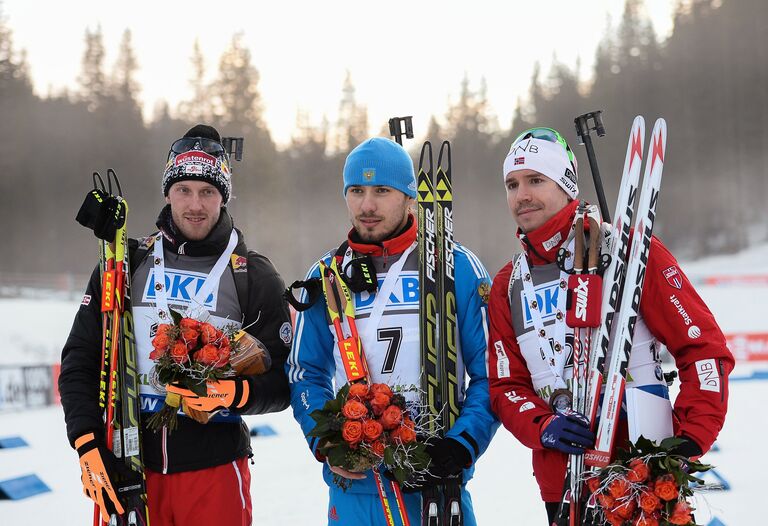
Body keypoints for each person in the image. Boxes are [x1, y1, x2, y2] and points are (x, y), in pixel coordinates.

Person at [486, 127, 734, 524]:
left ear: (566, 185)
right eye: (512, 184)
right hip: (563, 483)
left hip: (643, 475)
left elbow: (703, 349)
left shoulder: (632, 253)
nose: (522, 195)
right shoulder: (508, 284)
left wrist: (688, 440)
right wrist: (543, 425)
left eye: (536, 180)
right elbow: (505, 386)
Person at [60, 124, 293, 526]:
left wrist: (234, 393)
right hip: (129, 466)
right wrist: (86, 441)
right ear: (168, 192)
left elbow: (284, 380)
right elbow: (80, 360)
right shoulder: (126, 263)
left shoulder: (251, 273)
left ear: (224, 196)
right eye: (184, 189)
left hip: (214, 472)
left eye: (208, 191)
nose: (195, 204)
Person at [285, 137, 498, 525]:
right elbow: (305, 372)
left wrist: (462, 444)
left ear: (409, 197)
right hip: (356, 486)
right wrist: (326, 440)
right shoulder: (326, 276)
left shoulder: (458, 267)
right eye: (356, 191)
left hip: (435, 484)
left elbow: (490, 373)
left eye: (382, 191)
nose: (367, 205)